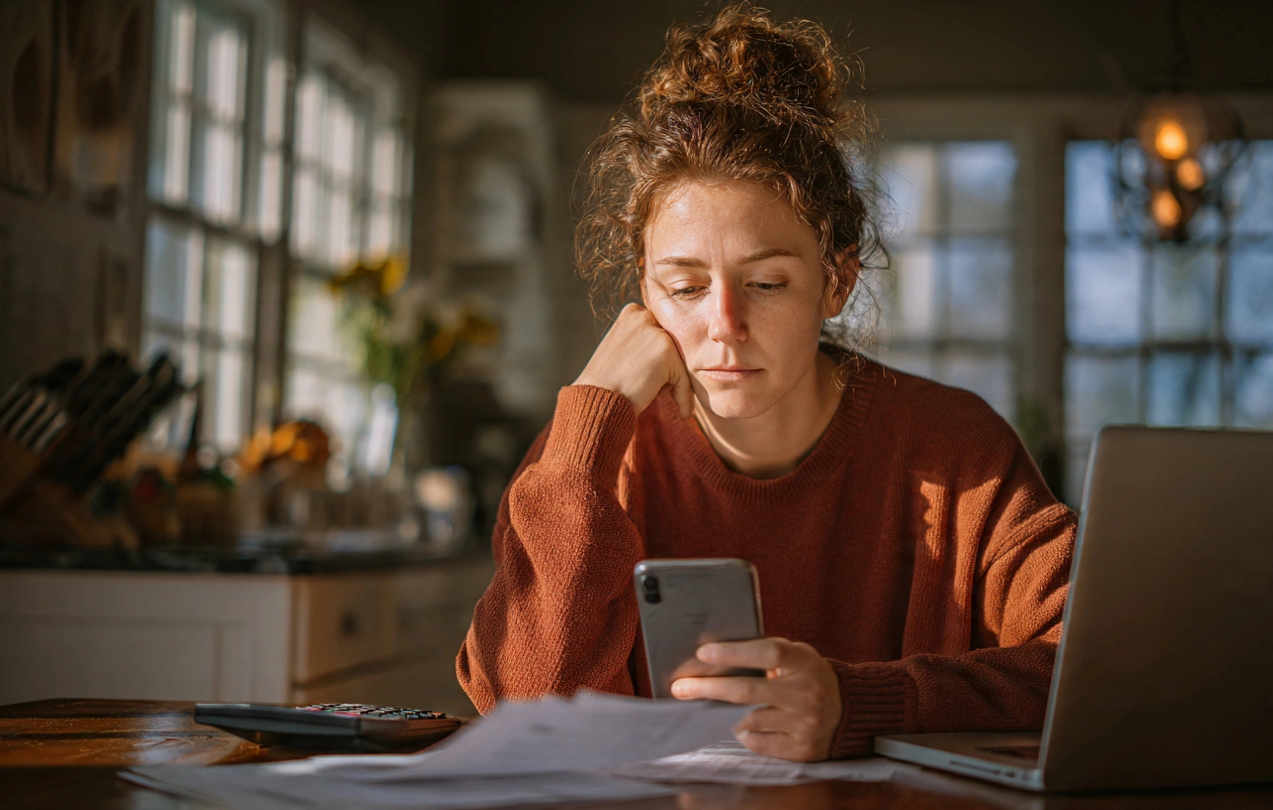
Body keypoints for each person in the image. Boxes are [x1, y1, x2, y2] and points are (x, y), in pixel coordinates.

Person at [457, 3, 1075, 763]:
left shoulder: (956, 449)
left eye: (769, 283)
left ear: (837, 281)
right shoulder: (588, 459)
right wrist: (593, 416)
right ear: (643, 293)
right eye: (684, 287)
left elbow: (1094, 662)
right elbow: (526, 713)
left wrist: (863, 702)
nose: (724, 324)